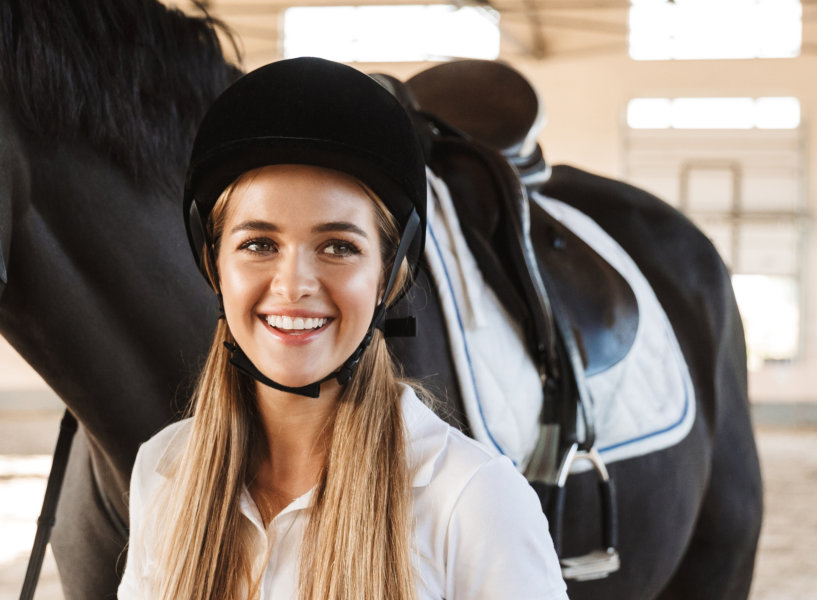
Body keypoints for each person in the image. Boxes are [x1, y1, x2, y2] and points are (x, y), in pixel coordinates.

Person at [117, 57, 568, 600]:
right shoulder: (163, 470)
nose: (293, 285)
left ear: (389, 275)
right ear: (215, 266)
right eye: (259, 244)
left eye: (338, 247)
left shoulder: (474, 502)